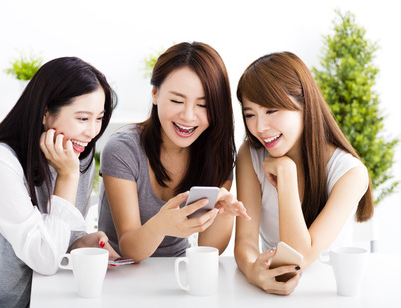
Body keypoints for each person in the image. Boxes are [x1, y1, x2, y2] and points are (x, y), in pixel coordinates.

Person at [0, 57, 119, 307]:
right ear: (44, 113)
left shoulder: (75, 158)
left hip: (31, 301)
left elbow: (56, 236)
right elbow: (44, 258)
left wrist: (79, 242)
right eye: (83, 119)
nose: (93, 131)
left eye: (99, 118)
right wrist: (68, 176)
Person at [234, 52, 374, 295]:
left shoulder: (350, 173)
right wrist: (252, 271)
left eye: (271, 110)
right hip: (269, 295)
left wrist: (286, 174)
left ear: (304, 105)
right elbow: (245, 240)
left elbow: (299, 257)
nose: (259, 127)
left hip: (330, 293)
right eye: (250, 114)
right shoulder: (250, 154)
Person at [98, 41, 250, 262]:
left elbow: (209, 247)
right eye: (177, 100)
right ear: (155, 94)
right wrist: (161, 225)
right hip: (119, 269)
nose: (188, 116)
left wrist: (224, 215)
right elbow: (129, 248)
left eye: (203, 105)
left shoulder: (217, 153)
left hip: (177, 269)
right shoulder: (123, 150)